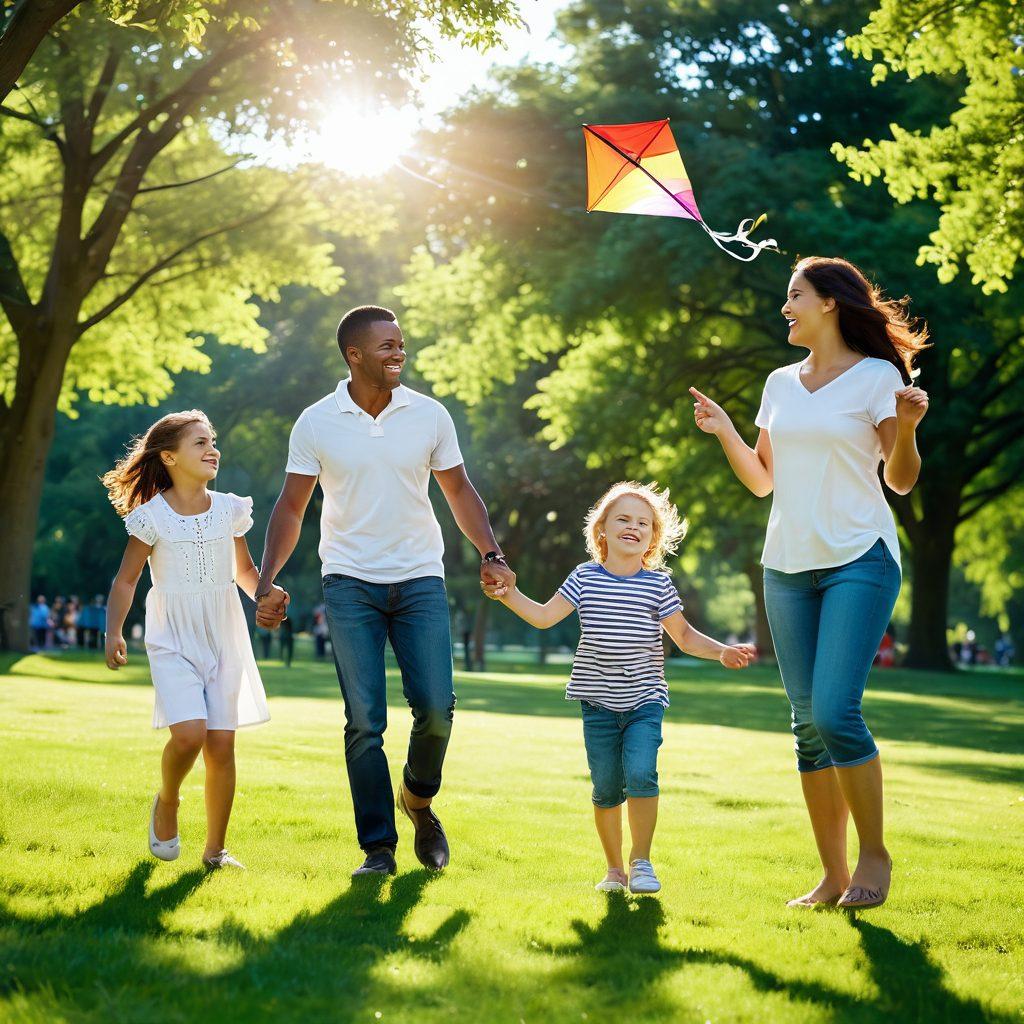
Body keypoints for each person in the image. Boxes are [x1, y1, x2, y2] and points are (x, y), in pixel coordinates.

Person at [690, 256, 929, 910]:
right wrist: (726, 433)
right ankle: (831, 875)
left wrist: (905, 429)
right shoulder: (779, 383)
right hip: (787, 566)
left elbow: (901, 479)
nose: (785, 308)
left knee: (834, 712)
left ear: (829, 303)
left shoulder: (879, 376)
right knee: (805, 725)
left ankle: (874, 855)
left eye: (794, 296)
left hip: (860, 556)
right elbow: (764, 478)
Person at [256, 304, 515, 877]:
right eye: (387, 346)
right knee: (365, 720)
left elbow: (458, 490)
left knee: (436, 710)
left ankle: (418, 801)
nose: (399, 353)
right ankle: (378, 849)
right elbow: (292, 506)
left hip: (420, 575)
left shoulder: (428, 415)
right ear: (354, 355)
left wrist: (490, 553)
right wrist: (267, 579)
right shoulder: (317, 422)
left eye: (401, 343)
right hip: (349, 581)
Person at [485, 481, 755, 894]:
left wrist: (721, 651)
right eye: (624, 519)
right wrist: (508, 595)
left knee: (643, 772)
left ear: (652, 539)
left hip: (645, 699)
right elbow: (543, 617)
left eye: (643, 523)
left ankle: (641, 862)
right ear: (602, 531)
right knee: (606, 787)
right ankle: (614, 869)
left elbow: (683, 636)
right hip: (597, 703)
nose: (634, 526)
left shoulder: (658, 584)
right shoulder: (584, 577)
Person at [102, 410, 284, 870]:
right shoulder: (152, 518)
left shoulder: (229, 510)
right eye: (200, 443)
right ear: (169, 457)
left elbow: (243, 572)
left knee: (221, 744)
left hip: (223, 633)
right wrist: (114, 631)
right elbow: (126, 581)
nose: (212, 449)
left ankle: (215, 850)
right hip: (173, 636)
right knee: (189, 735)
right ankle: (168, 801)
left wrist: (267, 595)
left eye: (212, 440)